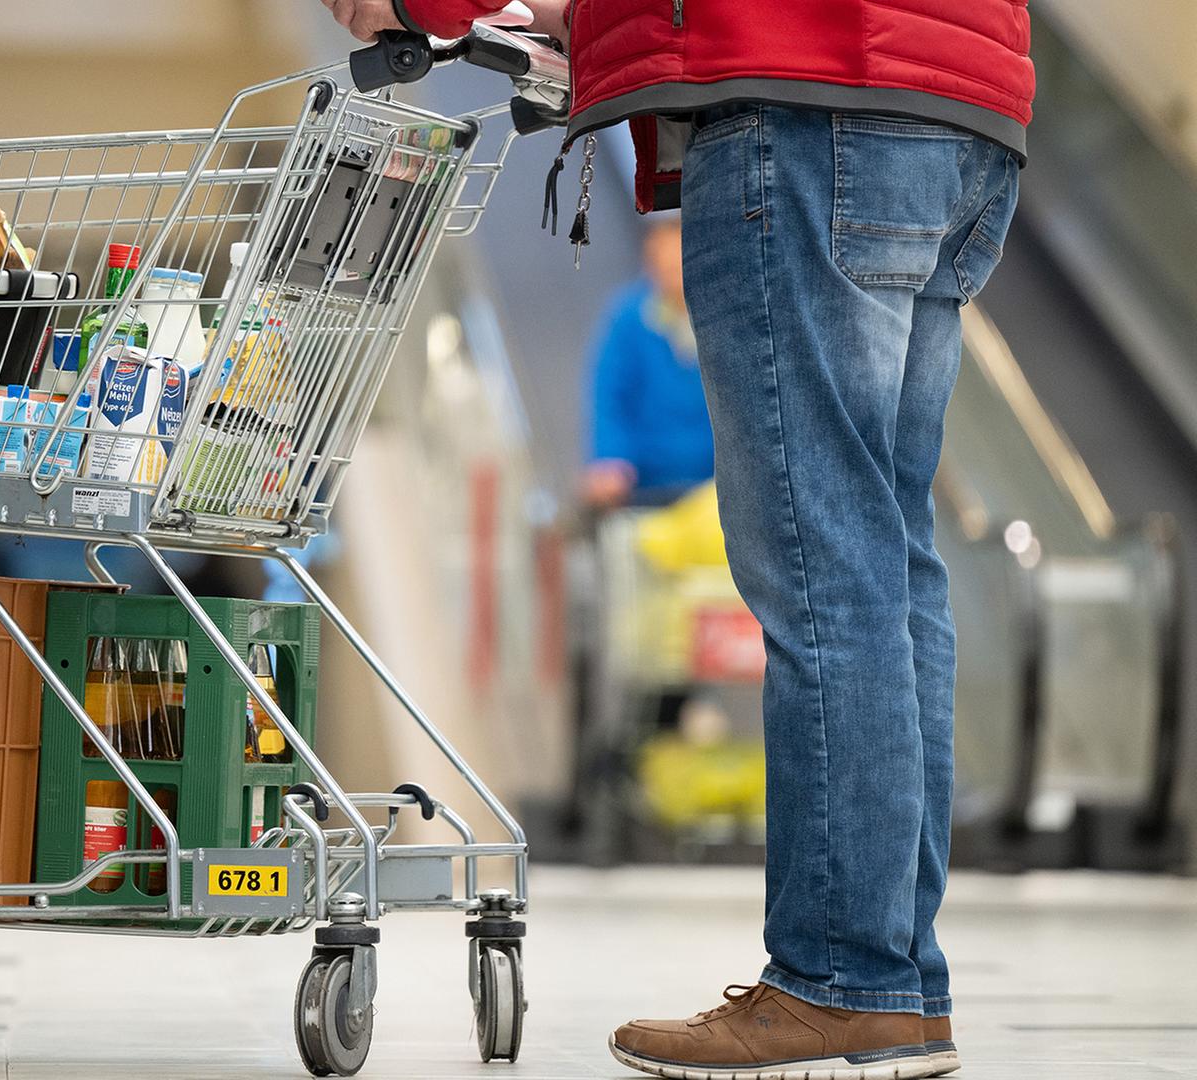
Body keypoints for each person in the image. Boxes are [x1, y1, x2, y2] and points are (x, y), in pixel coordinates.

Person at [321, 1, 1030, 1077]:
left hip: (805, 96)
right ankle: (895, 986)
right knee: (888, 561)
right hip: (960, 105)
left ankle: (841, 983)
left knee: (823, 561)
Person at [584, 218, 711, 510]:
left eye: (677, 265)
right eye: (661, 266)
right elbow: (609, 396)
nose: (671, 276)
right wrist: (609, 459)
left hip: (717, 483)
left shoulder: (729, 316)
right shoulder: (628, 318)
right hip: (647, 487)